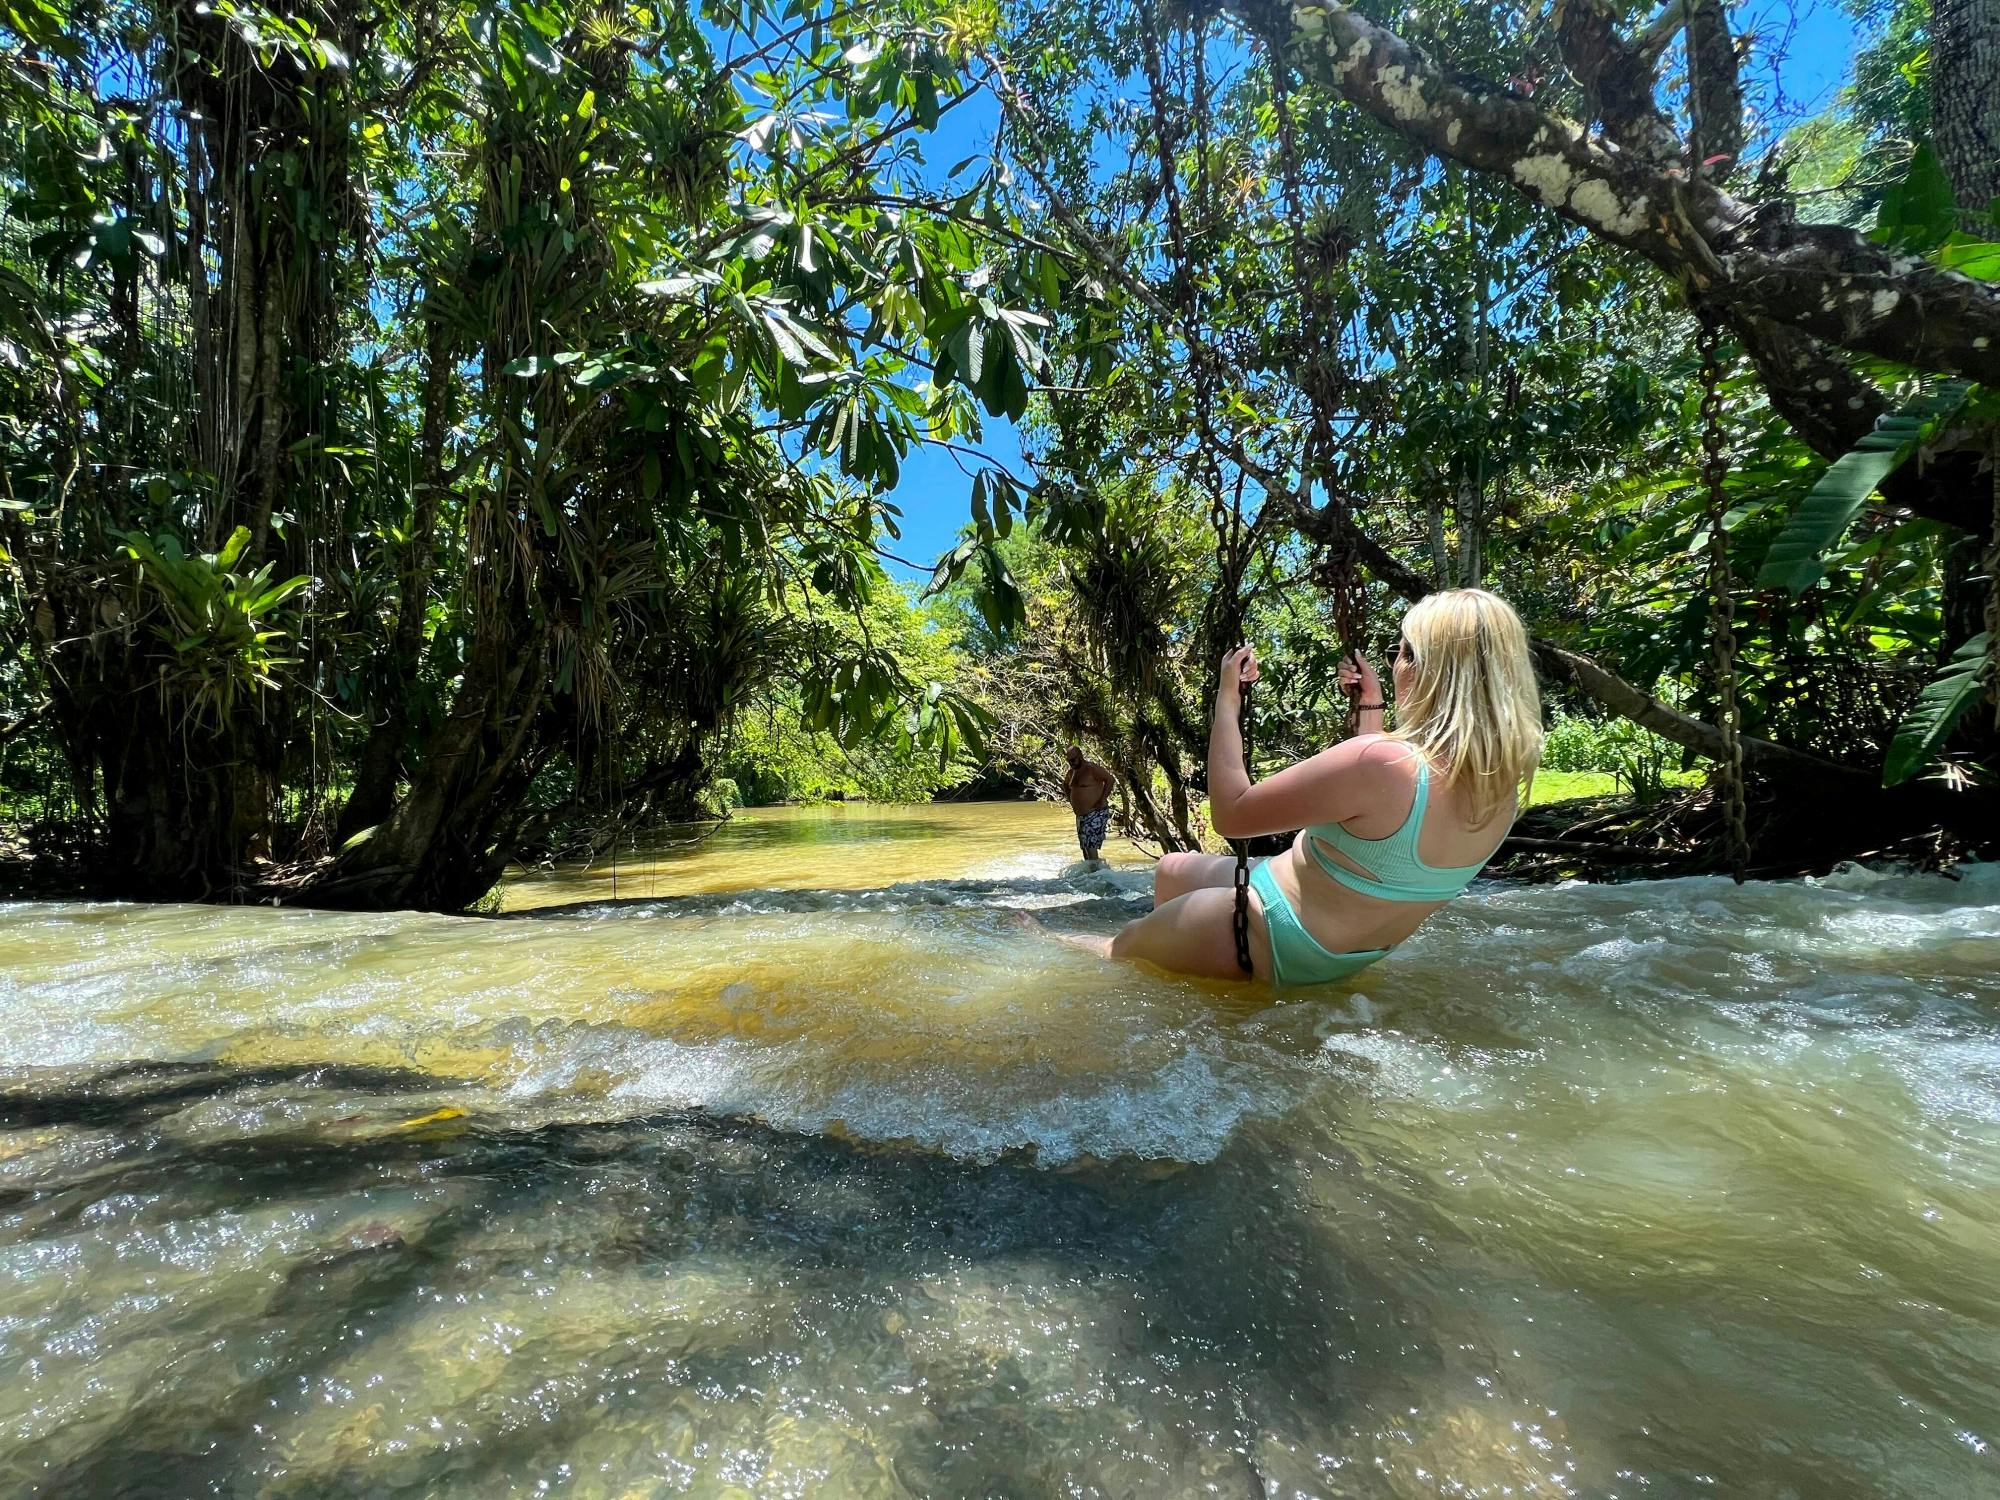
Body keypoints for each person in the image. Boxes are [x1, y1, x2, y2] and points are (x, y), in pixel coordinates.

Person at [1101, 588, 1543, 985]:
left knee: (1116, 948)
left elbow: (1232, 816)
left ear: (1428, 669)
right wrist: (1371, 703)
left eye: (1403, 651)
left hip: (1273, 934)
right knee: (1172, 870)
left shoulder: (1380, 763)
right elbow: (1380, 822)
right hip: (1347, 948)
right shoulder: (1504, 782)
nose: (1394, 664)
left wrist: (1227, 699)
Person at [1061, 744, 1116, 862]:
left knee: (1090, 846)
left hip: (1096, 812)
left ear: (1080, 756)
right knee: (1084, 847)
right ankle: (1091, 875)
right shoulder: (1071, 772)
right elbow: (1065, 785)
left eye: (1073, 760)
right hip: (1081, 816)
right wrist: (1071, 799)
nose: (1072, 763)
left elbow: (1110, 779)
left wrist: (1102, 798)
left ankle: (1097, 872)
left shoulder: (1091, 769)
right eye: (1069, 761)